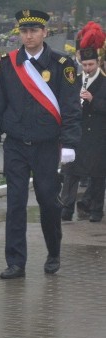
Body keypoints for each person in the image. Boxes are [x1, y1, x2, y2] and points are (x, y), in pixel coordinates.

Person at [0, 9, 81, 279]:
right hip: (15, 144)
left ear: (44, 32)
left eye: (34, 30)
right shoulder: (9, 63)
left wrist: (70, 143)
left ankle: (53, 250)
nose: (28, 36)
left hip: (46, 146)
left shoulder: (63, 65)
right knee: (15, 203)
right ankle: (16, 262)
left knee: (48, 201)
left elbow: (71, 108)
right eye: (24, 31)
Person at [60, 28, 106, 222]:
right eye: (85, 65)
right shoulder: (76, 81)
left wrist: (92, 100)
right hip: (77, 134)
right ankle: (66, 208)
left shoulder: (104, 82)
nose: (87, 68)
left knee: (97, 174)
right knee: (71, 173)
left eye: (91, 65)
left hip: (97, 135)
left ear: (98, 63)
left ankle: (96, 210)